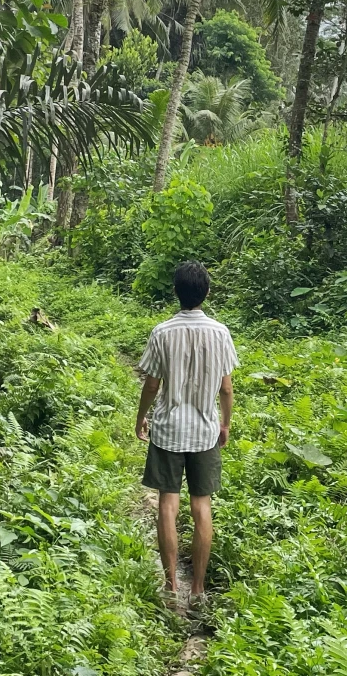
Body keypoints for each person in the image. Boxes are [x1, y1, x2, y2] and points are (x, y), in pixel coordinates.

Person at [136, 259, 238, 612]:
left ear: (175, 292)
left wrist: (141, 417)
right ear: (206, 291)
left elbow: (151, 384)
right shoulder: (220, 332)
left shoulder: (162, 332)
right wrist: (224, 424)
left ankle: (170, 585)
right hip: (205, 430)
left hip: (168, 429)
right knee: (201, 505)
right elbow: (226, 388)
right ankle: (197, 589)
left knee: (168, 501)